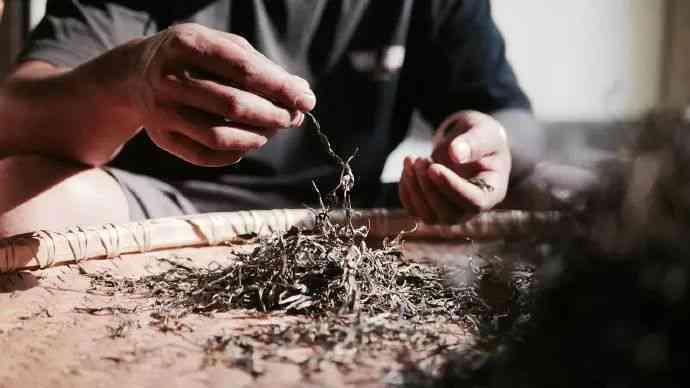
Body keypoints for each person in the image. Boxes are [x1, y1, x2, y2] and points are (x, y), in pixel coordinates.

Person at [0, 0, 545, 237]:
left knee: (583, 191)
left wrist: (490, 143)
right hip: (164, 207)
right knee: (13, 203)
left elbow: (513, 119)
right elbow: (18, 114)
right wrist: (128, 80)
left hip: (354, 211)